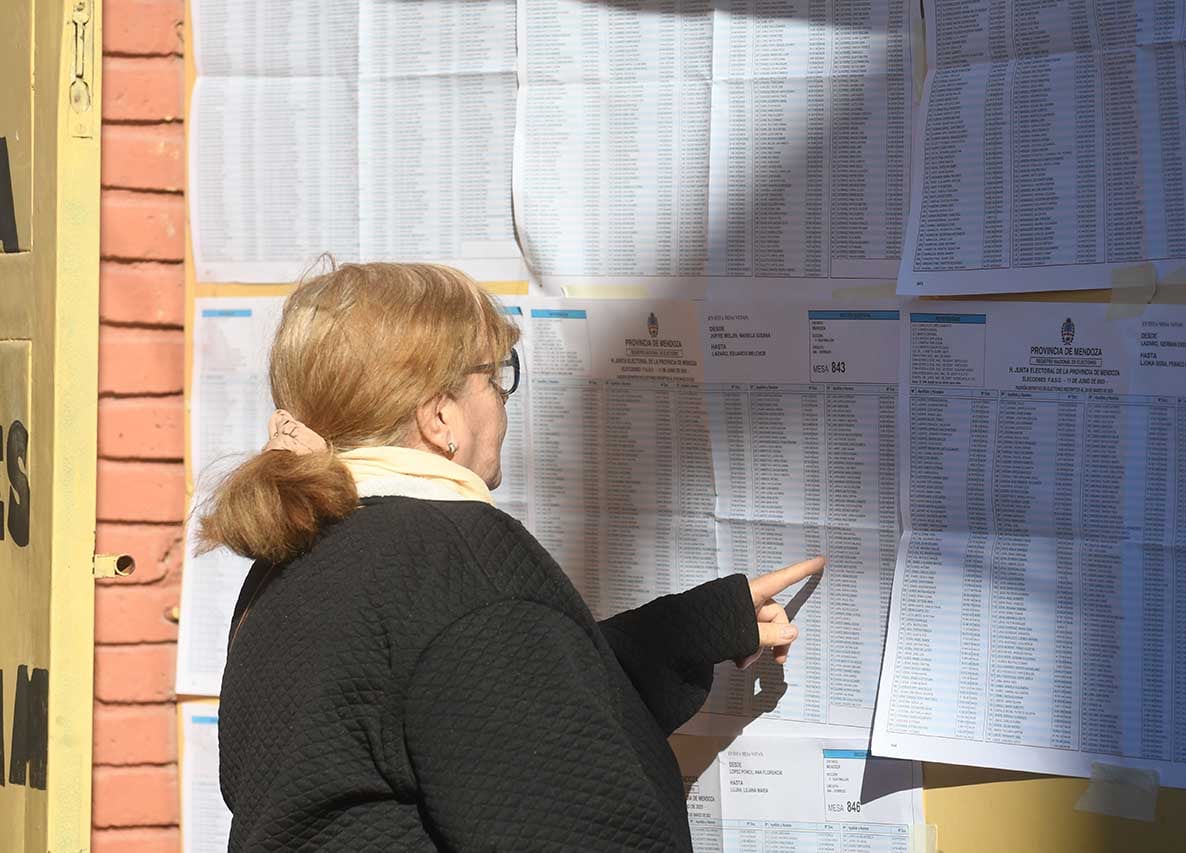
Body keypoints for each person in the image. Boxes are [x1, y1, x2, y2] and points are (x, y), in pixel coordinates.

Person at [200, 261, 826, 851]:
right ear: (439, 416)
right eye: (495, 381)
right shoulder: (456, 560)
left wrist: (689, 631)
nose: (502, 405)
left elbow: (461, 707)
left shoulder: (307, 548)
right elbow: (565, 811)